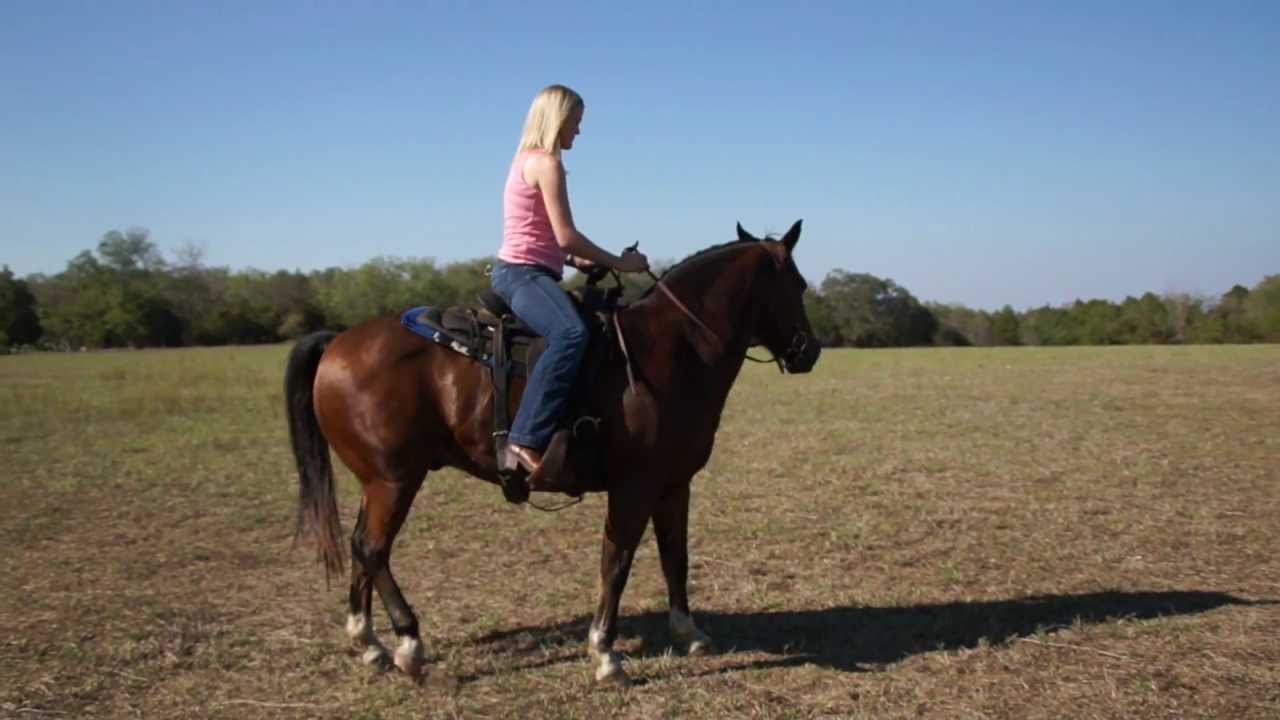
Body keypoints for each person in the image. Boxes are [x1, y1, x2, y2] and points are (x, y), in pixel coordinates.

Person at [490, 84, 649, 484]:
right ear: (557, 119)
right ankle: (523, 438)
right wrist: (620, 262)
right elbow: (565, 236)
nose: (578, 131)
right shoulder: (547, 163)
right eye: (575, 122)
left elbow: (545, 238)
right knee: (570, 333)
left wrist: (579, 260)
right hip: (522, 274)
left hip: (530, 269)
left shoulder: (525, 160)